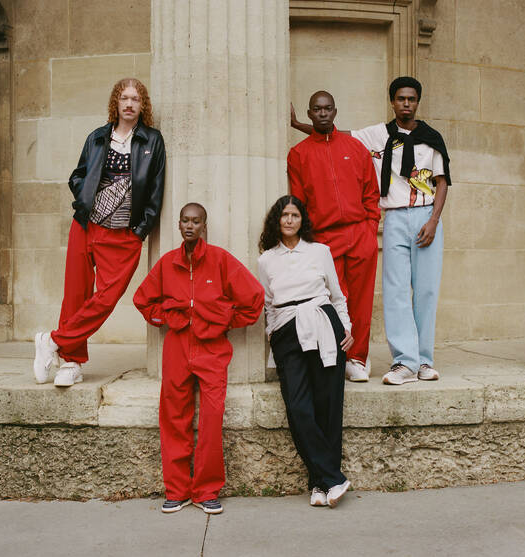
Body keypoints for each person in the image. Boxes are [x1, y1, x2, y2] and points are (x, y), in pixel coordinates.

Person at [292, 76, 451, 385]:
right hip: (393, 216)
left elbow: (442, 182)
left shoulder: (432, 138)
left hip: (425, 216)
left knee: (427, 291)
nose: (406, 103)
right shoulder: (378, 134)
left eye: (412, 99)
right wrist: (299, 125)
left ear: (418, 102)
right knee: (395, 293)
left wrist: (433, 220)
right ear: (392, 101)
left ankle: (424, 361)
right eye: (401, 98)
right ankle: (404, 362)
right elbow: (334, 135)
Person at [33, 77, 165, 387]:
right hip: (86, 225)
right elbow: (77, 176)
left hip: (124, 235)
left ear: (143, 105)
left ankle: (51, 342)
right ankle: (71, 363)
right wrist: (86, 200)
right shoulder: (97, 137)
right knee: (75, 296)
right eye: (124, 98)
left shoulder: (152, 141)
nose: (130, 104)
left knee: (106, 298)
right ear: (116, 104)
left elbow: (156, 190)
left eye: (135, 99)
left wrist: (141, 229)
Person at [133, 203, 264, 515]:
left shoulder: (220, 260)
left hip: (212, 348)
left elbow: (254, 299)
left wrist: (223, 321)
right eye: (185, 221)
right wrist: (167, 315)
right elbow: (142, 299)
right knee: (173, 417)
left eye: (196, 221)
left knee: (211, 419)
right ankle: (177, 490)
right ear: (178, 225)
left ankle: (206, 490)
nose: (190, 226)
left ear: (204, 225)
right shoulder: (167, 263)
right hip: (177, 346)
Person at [257, 195, 353, 508]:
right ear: (276, 219)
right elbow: (268, 303)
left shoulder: (320, 251)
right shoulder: (266, 259)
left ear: (302, 220)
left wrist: (347, 328)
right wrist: (272, 334)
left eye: (294, 215)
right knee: (299, 407)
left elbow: (337, 296)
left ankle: (318, 484)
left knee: (328, 406)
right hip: (287, 331)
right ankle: (333, 478)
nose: (289, 220)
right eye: (284, 215)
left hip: (325, 325)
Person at [287, 91, 380, 383]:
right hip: (324, 238)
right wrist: (310, 239)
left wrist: (369, 227)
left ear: (335, 112)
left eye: (328, 108)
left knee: (362, 302)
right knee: (332, 301)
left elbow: (371, 192)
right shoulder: (299, 154)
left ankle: (357, 359)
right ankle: (337, 358)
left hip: (360, 233)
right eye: (317, 109)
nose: (323, 113)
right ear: (310, 113)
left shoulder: (355, 148)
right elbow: (298, 201)